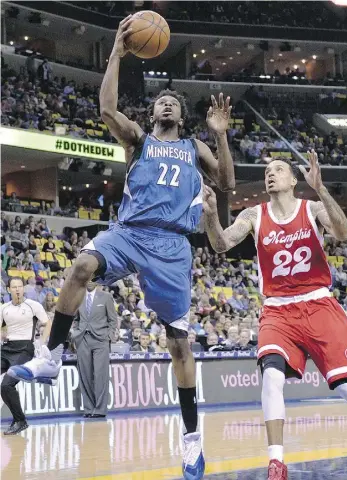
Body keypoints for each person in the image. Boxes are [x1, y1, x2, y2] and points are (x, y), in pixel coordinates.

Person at [8, 15, 235, 480]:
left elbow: (228, 183)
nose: (168, 105)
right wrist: (116, 49)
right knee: (80, 265)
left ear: (182, 114)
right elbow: (107, 109)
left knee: (179, 345)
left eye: (174, 101)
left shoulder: (194, 147)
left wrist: (222, 134)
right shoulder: (139, 140)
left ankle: (191, 439)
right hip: (130, 231)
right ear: (153, 114)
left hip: (172, 246)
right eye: (161, 102)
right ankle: (51, 357)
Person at [202, 151, 347, 480]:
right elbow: (221, 244)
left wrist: (320, 189)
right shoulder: (253, 215)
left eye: (278, 169)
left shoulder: (312, 208)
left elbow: (344, 233)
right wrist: (209, 216)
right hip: (278, 309)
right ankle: (276, 463)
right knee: (271, 376)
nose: (270, 174)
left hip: (319, 304)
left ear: (293, 180)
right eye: (267, 171)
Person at [1, 277, 50, 435]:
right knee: (5, 386)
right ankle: (18, 420)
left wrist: (42, 342)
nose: (17, 290)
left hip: (24, 349)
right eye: (14, 287)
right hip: (7, 347)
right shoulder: (4, 308)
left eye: (20, 287)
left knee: (6, 385)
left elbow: (47, 322)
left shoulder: (33, 305)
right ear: (8, 289)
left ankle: (20, 420)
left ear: (23, 288)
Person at [71, 282, 117, 418]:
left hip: (101, 340)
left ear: (97, 281)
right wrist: (75, 333)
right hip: (82, 339)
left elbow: (113, 320)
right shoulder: (78, 296)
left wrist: (109, 335)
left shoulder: (106, 297)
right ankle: (88, 409)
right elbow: (76, 319)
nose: (90, 281)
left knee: (100, 375)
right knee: (85, 375)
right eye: (88, 278)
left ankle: (100, 410)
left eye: (93, 278)